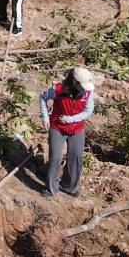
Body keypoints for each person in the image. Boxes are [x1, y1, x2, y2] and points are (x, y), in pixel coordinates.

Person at [40, 68, 96, 197]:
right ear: (74, 82)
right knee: (56, 157)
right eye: (81, 85)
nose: (84, 89)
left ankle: (68, 186)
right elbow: (43, 96)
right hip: (58, 127)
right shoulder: (58, 89)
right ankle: (51, 188)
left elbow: (88, 111)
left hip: (76, 128)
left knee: (76, 157)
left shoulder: (88, 93)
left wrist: (70, 119)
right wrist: (45, 117)